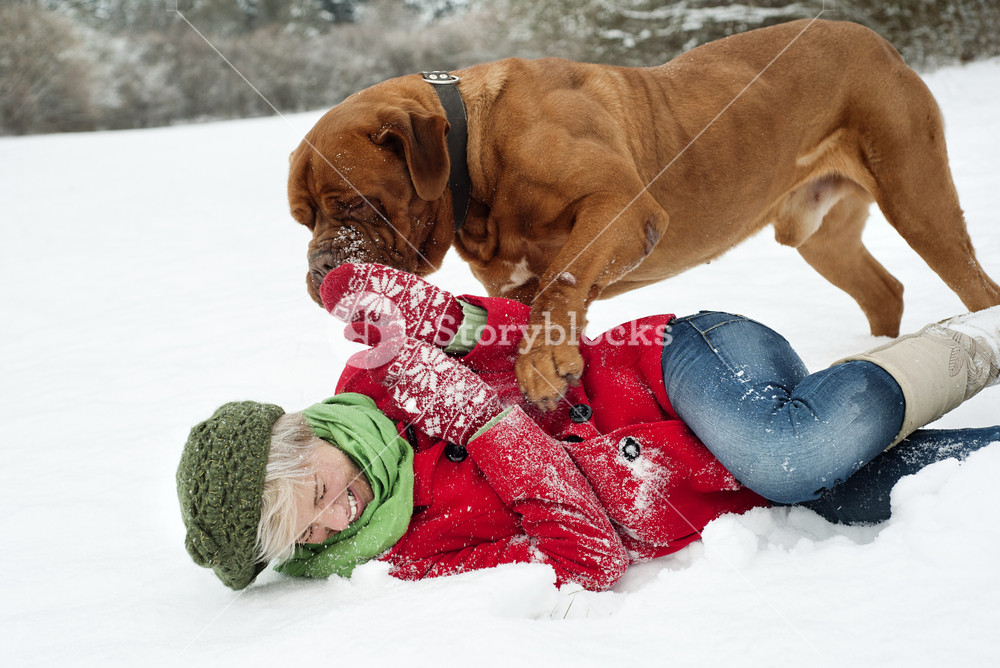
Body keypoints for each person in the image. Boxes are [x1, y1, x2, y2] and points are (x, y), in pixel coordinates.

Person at [177, 263, 1000, 591]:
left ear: (305, 434)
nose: (337, 519)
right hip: (722, 484)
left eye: (317, 492)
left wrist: (449, 324)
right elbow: (591, 557)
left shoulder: (376, 368)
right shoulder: (407, 551)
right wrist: (485, 419)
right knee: (931, 488)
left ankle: (981, 338)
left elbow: (546, 338)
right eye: (308, 535)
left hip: (676, 363)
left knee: (790, 450)